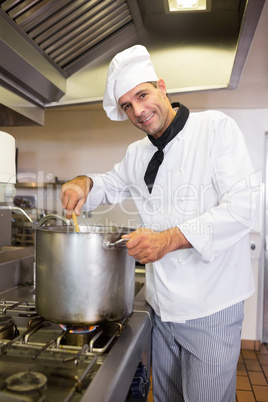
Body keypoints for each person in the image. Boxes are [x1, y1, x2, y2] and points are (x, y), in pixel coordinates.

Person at [60, 45, 260, 401]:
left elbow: (245, 207)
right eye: (127, 105)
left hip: (212, 307)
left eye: (142, 95)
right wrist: (82, 182)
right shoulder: (138, 153)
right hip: (162, 307)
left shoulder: (214, 129)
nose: (138, 110)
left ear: (162, 87)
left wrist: (169, 239)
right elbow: (108, 183)